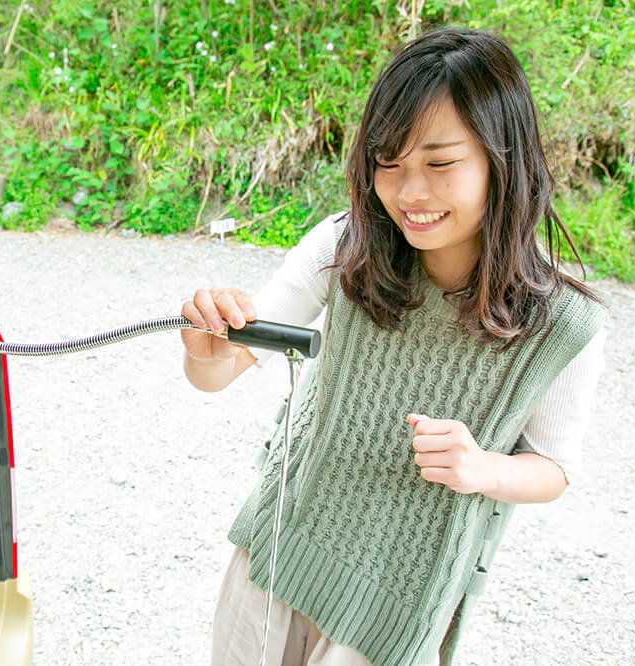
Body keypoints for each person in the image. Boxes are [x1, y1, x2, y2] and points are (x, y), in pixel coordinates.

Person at [180, 27, 606, 666]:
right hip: (279, 549)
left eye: (440, 163)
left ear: (503, 158)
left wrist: (481, 468)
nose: (410, 194)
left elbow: (554, 468)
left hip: (395, 604)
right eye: (389, 162)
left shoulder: (562, 322)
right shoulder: (345, 247)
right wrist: (203, 350)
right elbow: (220, 370)